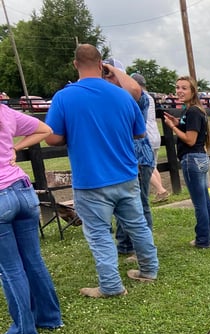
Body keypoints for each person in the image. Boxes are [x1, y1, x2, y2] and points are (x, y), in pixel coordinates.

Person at [45, 44, 159, 297]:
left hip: (91, 179)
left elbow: (52, 139)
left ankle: (111, 286)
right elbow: (139, 132)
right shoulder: (122, 96)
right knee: (137, 224)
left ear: (75, 64)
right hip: (126, 174)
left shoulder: (64, 97)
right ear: (101, 65)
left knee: (99, 234)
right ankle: (149, 270)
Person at [0, 108, 63, 334]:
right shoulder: (4, 111)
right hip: (22, 190)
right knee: (33, 260)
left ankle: (23, 332)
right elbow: (45, 129)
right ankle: (50, 317)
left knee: (10, 269)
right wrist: (15, 148)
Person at [164, 76, 210, 248]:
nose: (180, 91)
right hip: (199, 158)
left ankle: (203, 240)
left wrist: (172, 127)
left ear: (192, 91)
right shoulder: (193, 110)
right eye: (177, 87)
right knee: (205, 200)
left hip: (192, 159)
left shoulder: (193, 112)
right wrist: (178, 123)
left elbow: (190, 140)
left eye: (184, 88)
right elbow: (189, 129)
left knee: (199, 204)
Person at [111, 66, 155, 259]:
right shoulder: (116, 97)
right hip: (124, 158)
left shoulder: (138, 97)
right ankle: (125, 244)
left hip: (139, 157)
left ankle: (143, 248)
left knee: (141, 203)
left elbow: (137, 92)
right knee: (122, 203)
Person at [129, 73, 170, 203]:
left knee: (144, 164)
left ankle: (160, 189)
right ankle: (160, 190)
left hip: (145, 135)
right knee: (153, 165)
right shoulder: (150, 97)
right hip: (155, 134)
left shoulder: (139, 96)